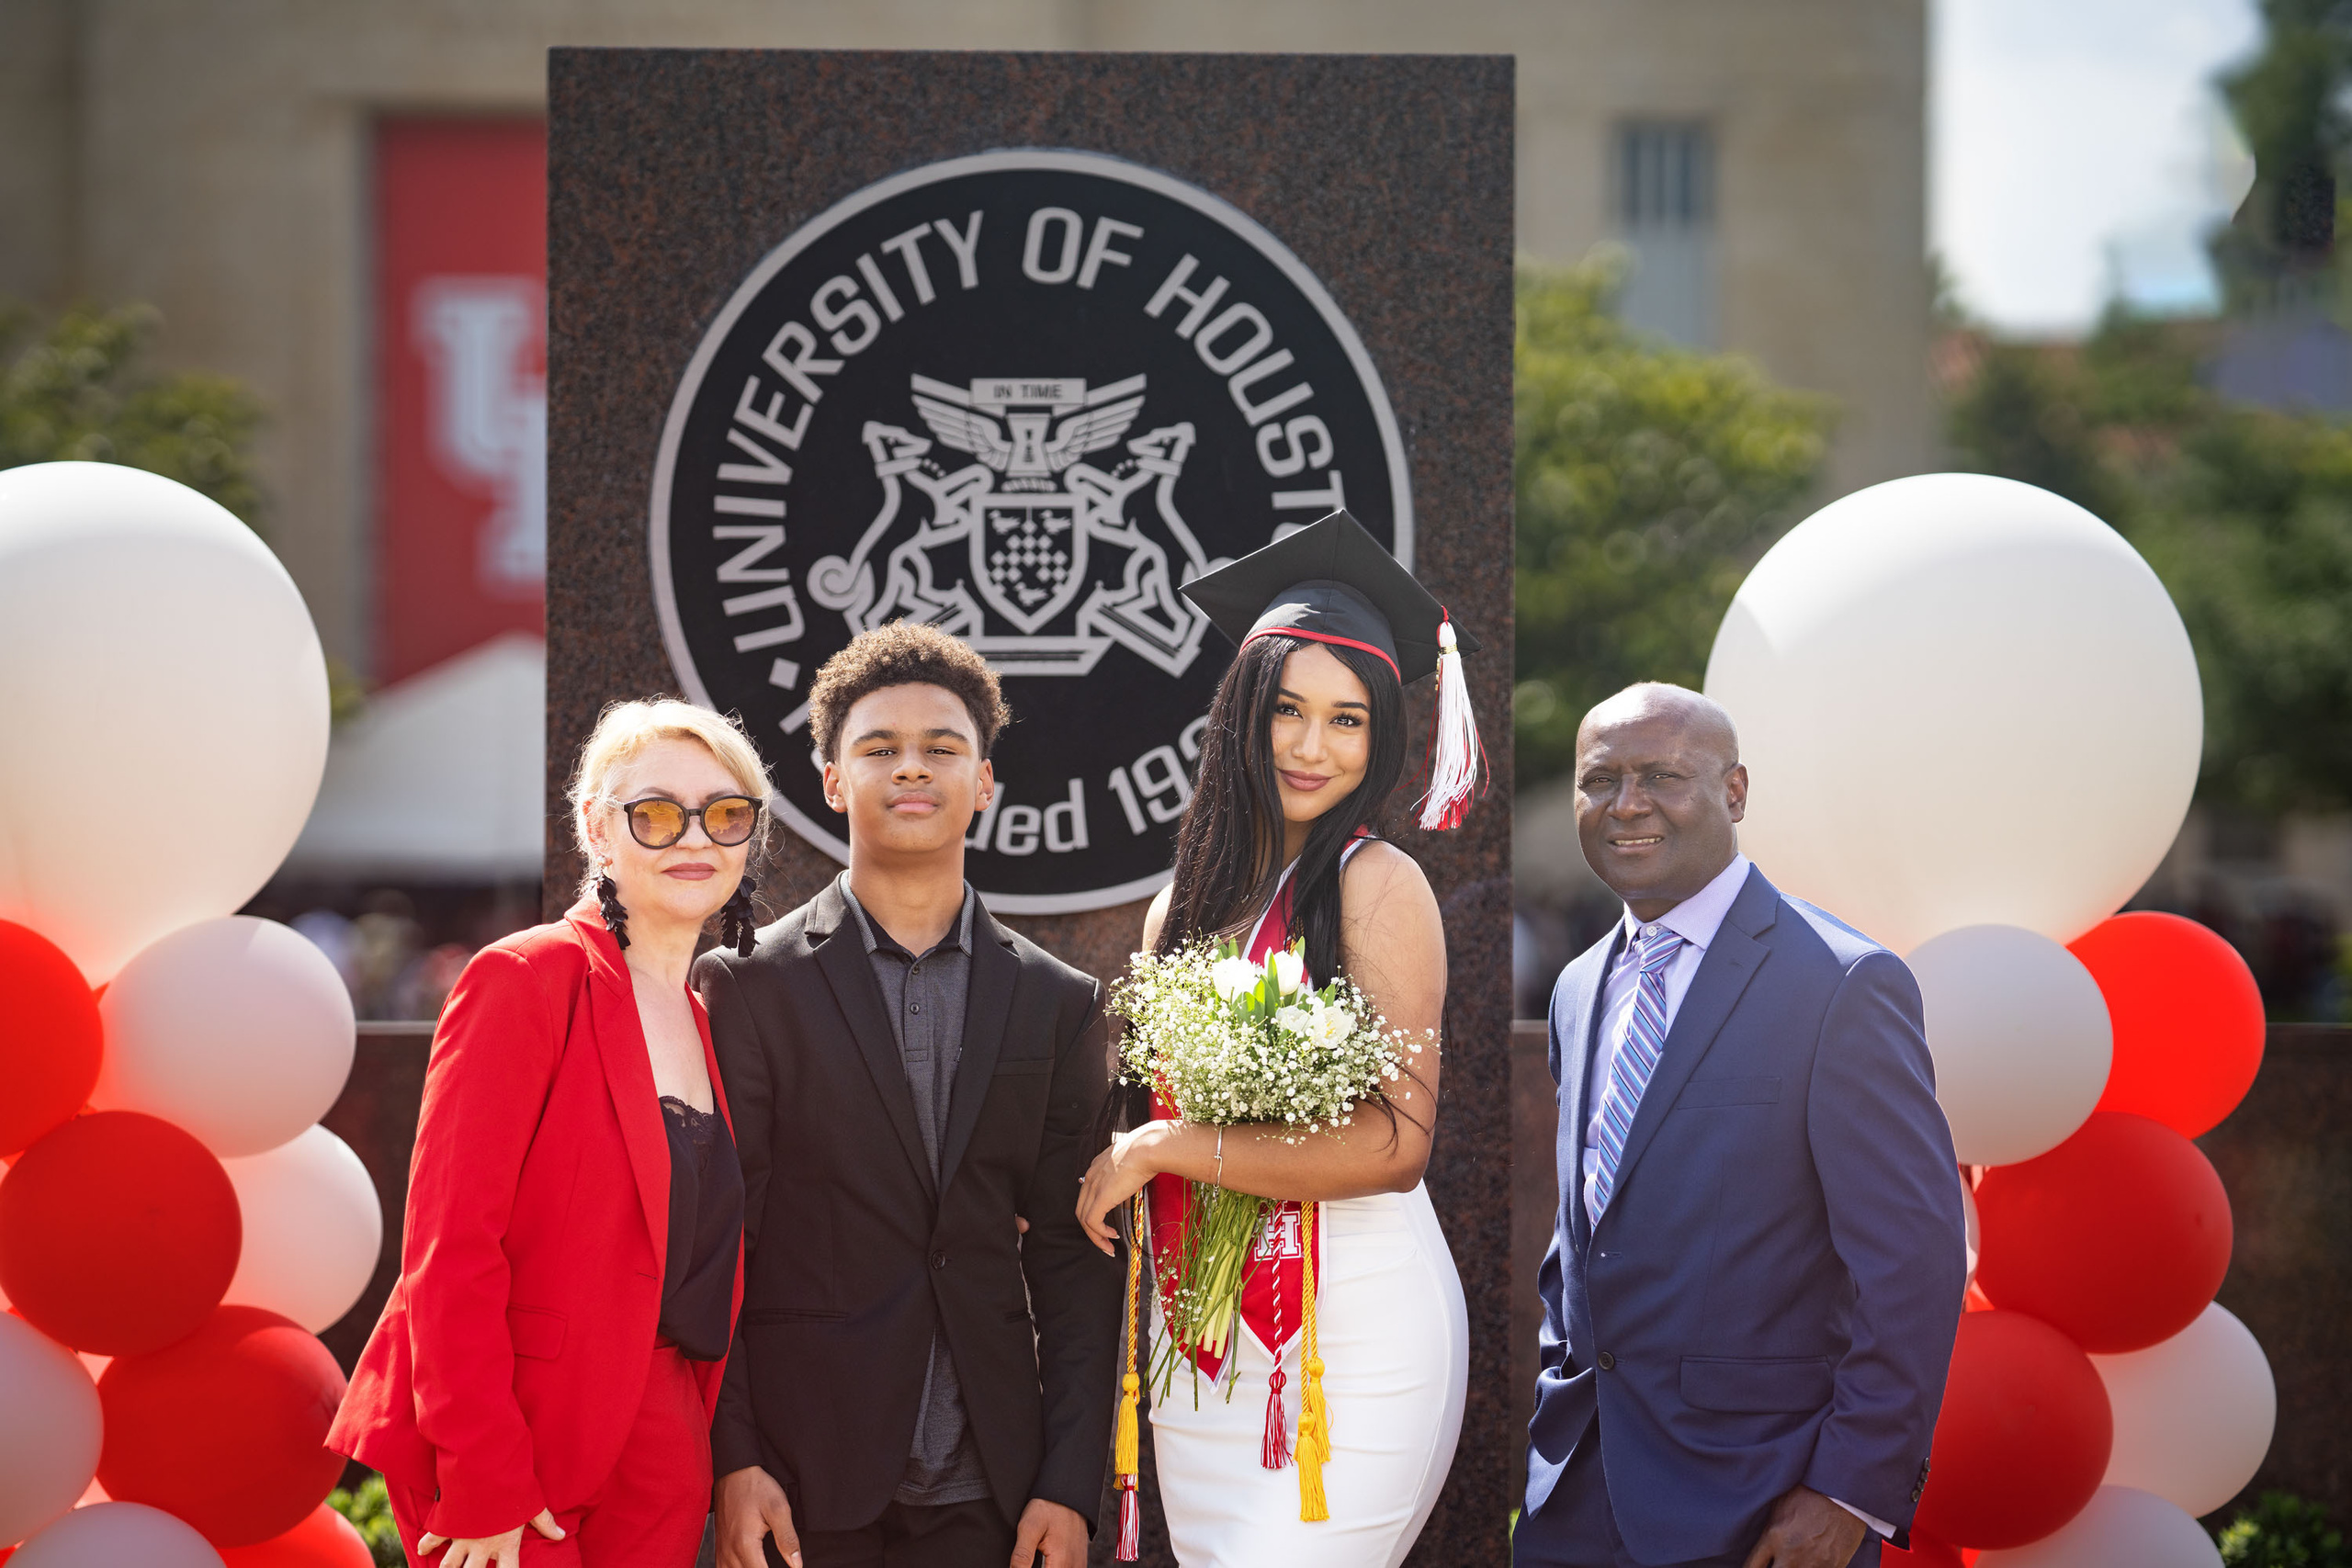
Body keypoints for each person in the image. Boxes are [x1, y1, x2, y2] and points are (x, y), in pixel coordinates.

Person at [1075, 511, 1479, 1568]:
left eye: (1347, 721)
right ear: (1242, 715)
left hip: (1355, 1336)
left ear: (1381, 735)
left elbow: (1398, 1147)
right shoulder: (1182, 912)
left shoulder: (1377, 887)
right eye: (1288, 711)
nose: (1311, 746)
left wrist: (1165, 1148)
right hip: (1207, 1351)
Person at [1515, 684, 1968, 1568]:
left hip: (1764, 1507)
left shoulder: (1841, 983)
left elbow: (1913, 1262)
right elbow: (1588, 1235)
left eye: (1662, 775)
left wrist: (1849, 1491)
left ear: (1735, 791)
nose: (1628, 803)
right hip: (1576, 1495)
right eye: (1599, 778)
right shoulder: (1576, 988)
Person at [698, 623, 1119, 1568]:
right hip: (805, 1482)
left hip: (995, 1489)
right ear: (833, 780)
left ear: (985, 783)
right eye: (878, 749)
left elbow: (1073, 1257)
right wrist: (735, 1460)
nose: (912, 770)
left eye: (943, 749)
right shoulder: (749, 986)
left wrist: (1067, 1484)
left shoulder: (1057, 1002)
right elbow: (720, 1242)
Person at [330, 699, 770, 1567]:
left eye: (725, 813)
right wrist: (483, 1469)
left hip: (664, 1440)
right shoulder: (525, 978)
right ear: (599, 832)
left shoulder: (710, 1013)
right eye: (654, 813)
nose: (695, 837)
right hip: (514, 1433)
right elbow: (449, 1248)